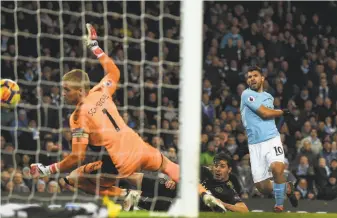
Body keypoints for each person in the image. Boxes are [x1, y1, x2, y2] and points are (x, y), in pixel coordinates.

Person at [30, 23, 225, 212]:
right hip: (138, 146)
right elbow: (114, 71)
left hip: (118, 161)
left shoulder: (78, 117)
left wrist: (49, 170)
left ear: (80, 90)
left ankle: (125, 195)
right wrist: (95, 47)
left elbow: (77, 156)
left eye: (67, 90)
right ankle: (205, 195)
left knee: (74, 177)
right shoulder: (101, 91)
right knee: (170, 166)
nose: (63, 94)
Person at [240, 66, 298, 212]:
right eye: (249, 76)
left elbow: (268, 116)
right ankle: (287, 187)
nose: (252, 78)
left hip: (272, 139)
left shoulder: (269, 97)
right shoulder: (246, 94)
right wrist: (282, 112)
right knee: (262, 188)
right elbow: (264, 114)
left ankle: (279, 205)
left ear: (262, 78)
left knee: (277, 168)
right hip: (255, 144)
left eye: (255, 75)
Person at [132, 153, 249, 213]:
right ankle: (118, 177)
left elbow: (244, 210)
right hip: (175, 189)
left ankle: (132, 198)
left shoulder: (228, 190)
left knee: (166, 205)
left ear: (229, 170)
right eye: (216, 165)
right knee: (152, 181)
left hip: (184, 205)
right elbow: (181, 171)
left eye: (222, 166)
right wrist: (173, 179)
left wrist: (223, 204)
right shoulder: (204, 171)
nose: (217, 169)